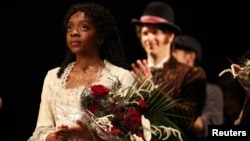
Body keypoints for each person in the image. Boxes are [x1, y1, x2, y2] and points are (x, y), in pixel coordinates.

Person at [28, 2, 135, 141]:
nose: (74, 32)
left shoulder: (121, 77)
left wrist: (92, 138)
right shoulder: (53, 77)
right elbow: (42, 129)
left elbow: (130, 136)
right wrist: (51, 137)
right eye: (69, 28)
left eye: (84, 27)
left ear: (100, 37)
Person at [130, 1, 207, 140]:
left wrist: (152, 91)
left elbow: (188, 118)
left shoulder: (192, 73)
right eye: (145, 33)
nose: (149, 38)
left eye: (155, 32)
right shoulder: (133, 72)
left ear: (170, 36)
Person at [172, 35, 224, 140]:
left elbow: (210, 129)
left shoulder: (210, 91)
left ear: (190, 57)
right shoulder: (165, 85)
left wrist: (161, 100)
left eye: (172, 55)